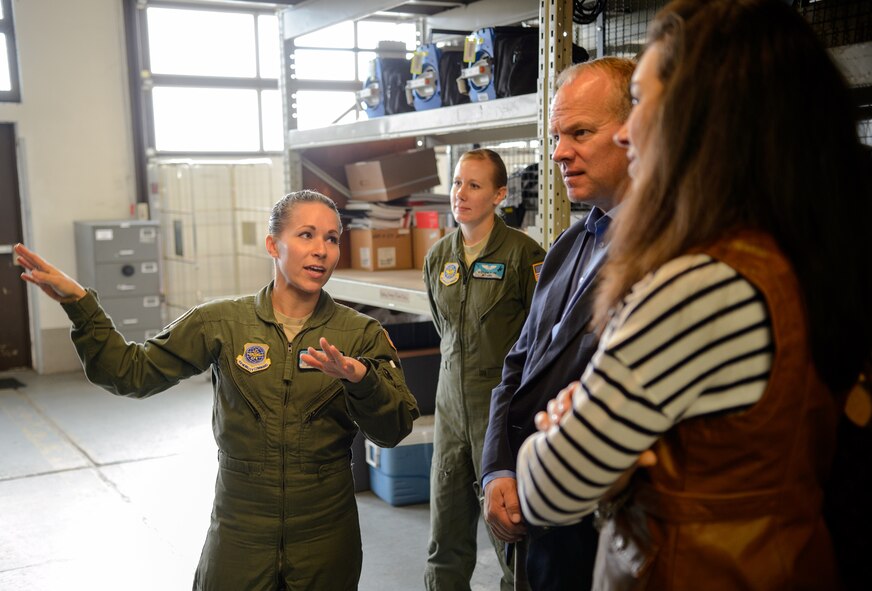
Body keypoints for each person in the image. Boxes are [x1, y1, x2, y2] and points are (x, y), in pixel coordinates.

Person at [516, 0, 871, 589]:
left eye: (640, 103)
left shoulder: (699, 284)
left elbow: (548, 488)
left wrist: (565, 427)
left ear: (703, 118)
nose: (627, 132)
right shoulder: (791, 255)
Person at [15, 190, 420, 591]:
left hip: (326, 534)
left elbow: (394, 429)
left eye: (332, 239)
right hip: (240, 528)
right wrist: (81, 305)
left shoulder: (359, 334)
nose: (321, 250)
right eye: (306, 235)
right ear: (272, 244)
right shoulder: (222, 323)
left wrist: (360, 379)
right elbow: (129, 372)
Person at [480, 56, 635, 591]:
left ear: (636, 129)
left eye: (581, 133)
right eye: (557, 135)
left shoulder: (665, 258)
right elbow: (519, 363)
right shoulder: (571, 243)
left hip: (600, 530)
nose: (558, 152)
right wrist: (497, 468)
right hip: (533, 514)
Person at [422, 148, 546, 591]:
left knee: (511, 538)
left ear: (498, 194)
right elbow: (447, 333)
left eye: (474, 185)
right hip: (450, 414)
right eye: (457, 183)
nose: (461, 193)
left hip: (501, 417)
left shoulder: (523, 255)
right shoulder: (438, 258)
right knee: (445, 539)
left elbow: (541, 342)